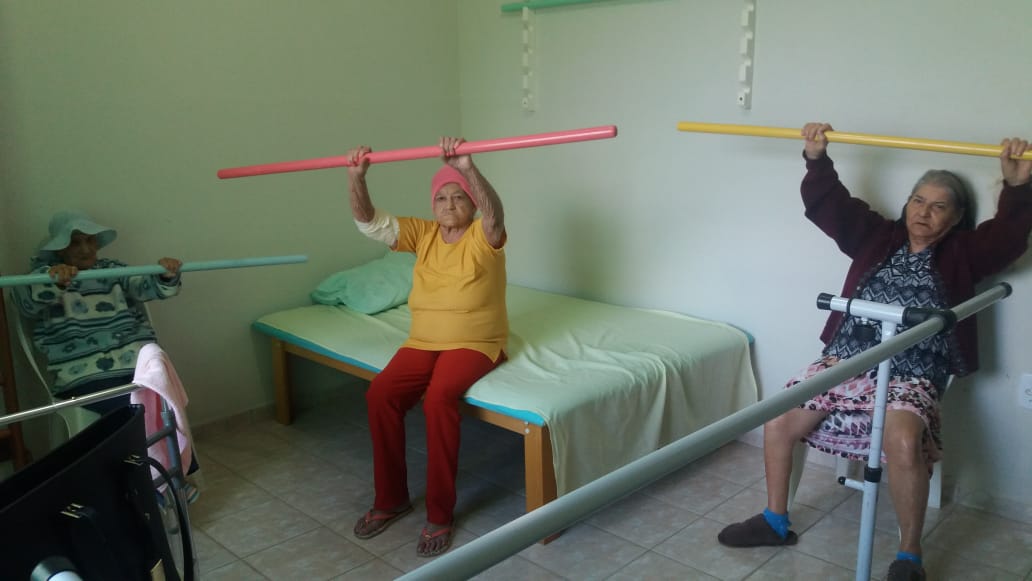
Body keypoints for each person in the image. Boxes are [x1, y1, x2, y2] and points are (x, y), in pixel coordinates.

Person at [717, 123, 1032, 581]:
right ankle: (774, 521)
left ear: (956, 217)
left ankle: (909, 557)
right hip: (847, 362)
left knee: (902, 440)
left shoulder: (965, 252)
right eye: (918, 201)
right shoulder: (877, 236)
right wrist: (816, 158)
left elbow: (1007, 240)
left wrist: (1017, 188)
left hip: (913, 371)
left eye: (939, 206)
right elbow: (830, 206)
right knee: (779, 419)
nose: (924, 212)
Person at [347, 137, 509, 557]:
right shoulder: (423, 233)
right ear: (432, 206)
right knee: (381, 394)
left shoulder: (483, 234)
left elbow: (495, 215)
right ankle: (391, 499)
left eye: (459, 197)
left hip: (475, 341)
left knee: (438, 399)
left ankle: (440, 513)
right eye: (441, 197)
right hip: (423, 340)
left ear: (472, 205)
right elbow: (369, 222)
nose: (449, 204)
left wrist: (468, 167)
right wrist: (357, 177)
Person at [14, 210, 183, 416]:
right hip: (84, 377)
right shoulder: (45, 275)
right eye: (75, 243)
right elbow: (25, 303)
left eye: (90, 240)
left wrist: (165, 275)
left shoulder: (113, 269)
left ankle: (164, 436)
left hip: (137, 366)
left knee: (166, 400)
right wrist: (55, 281)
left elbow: (145, 287)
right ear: (60, 249)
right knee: (138, 409)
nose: (85, 249)